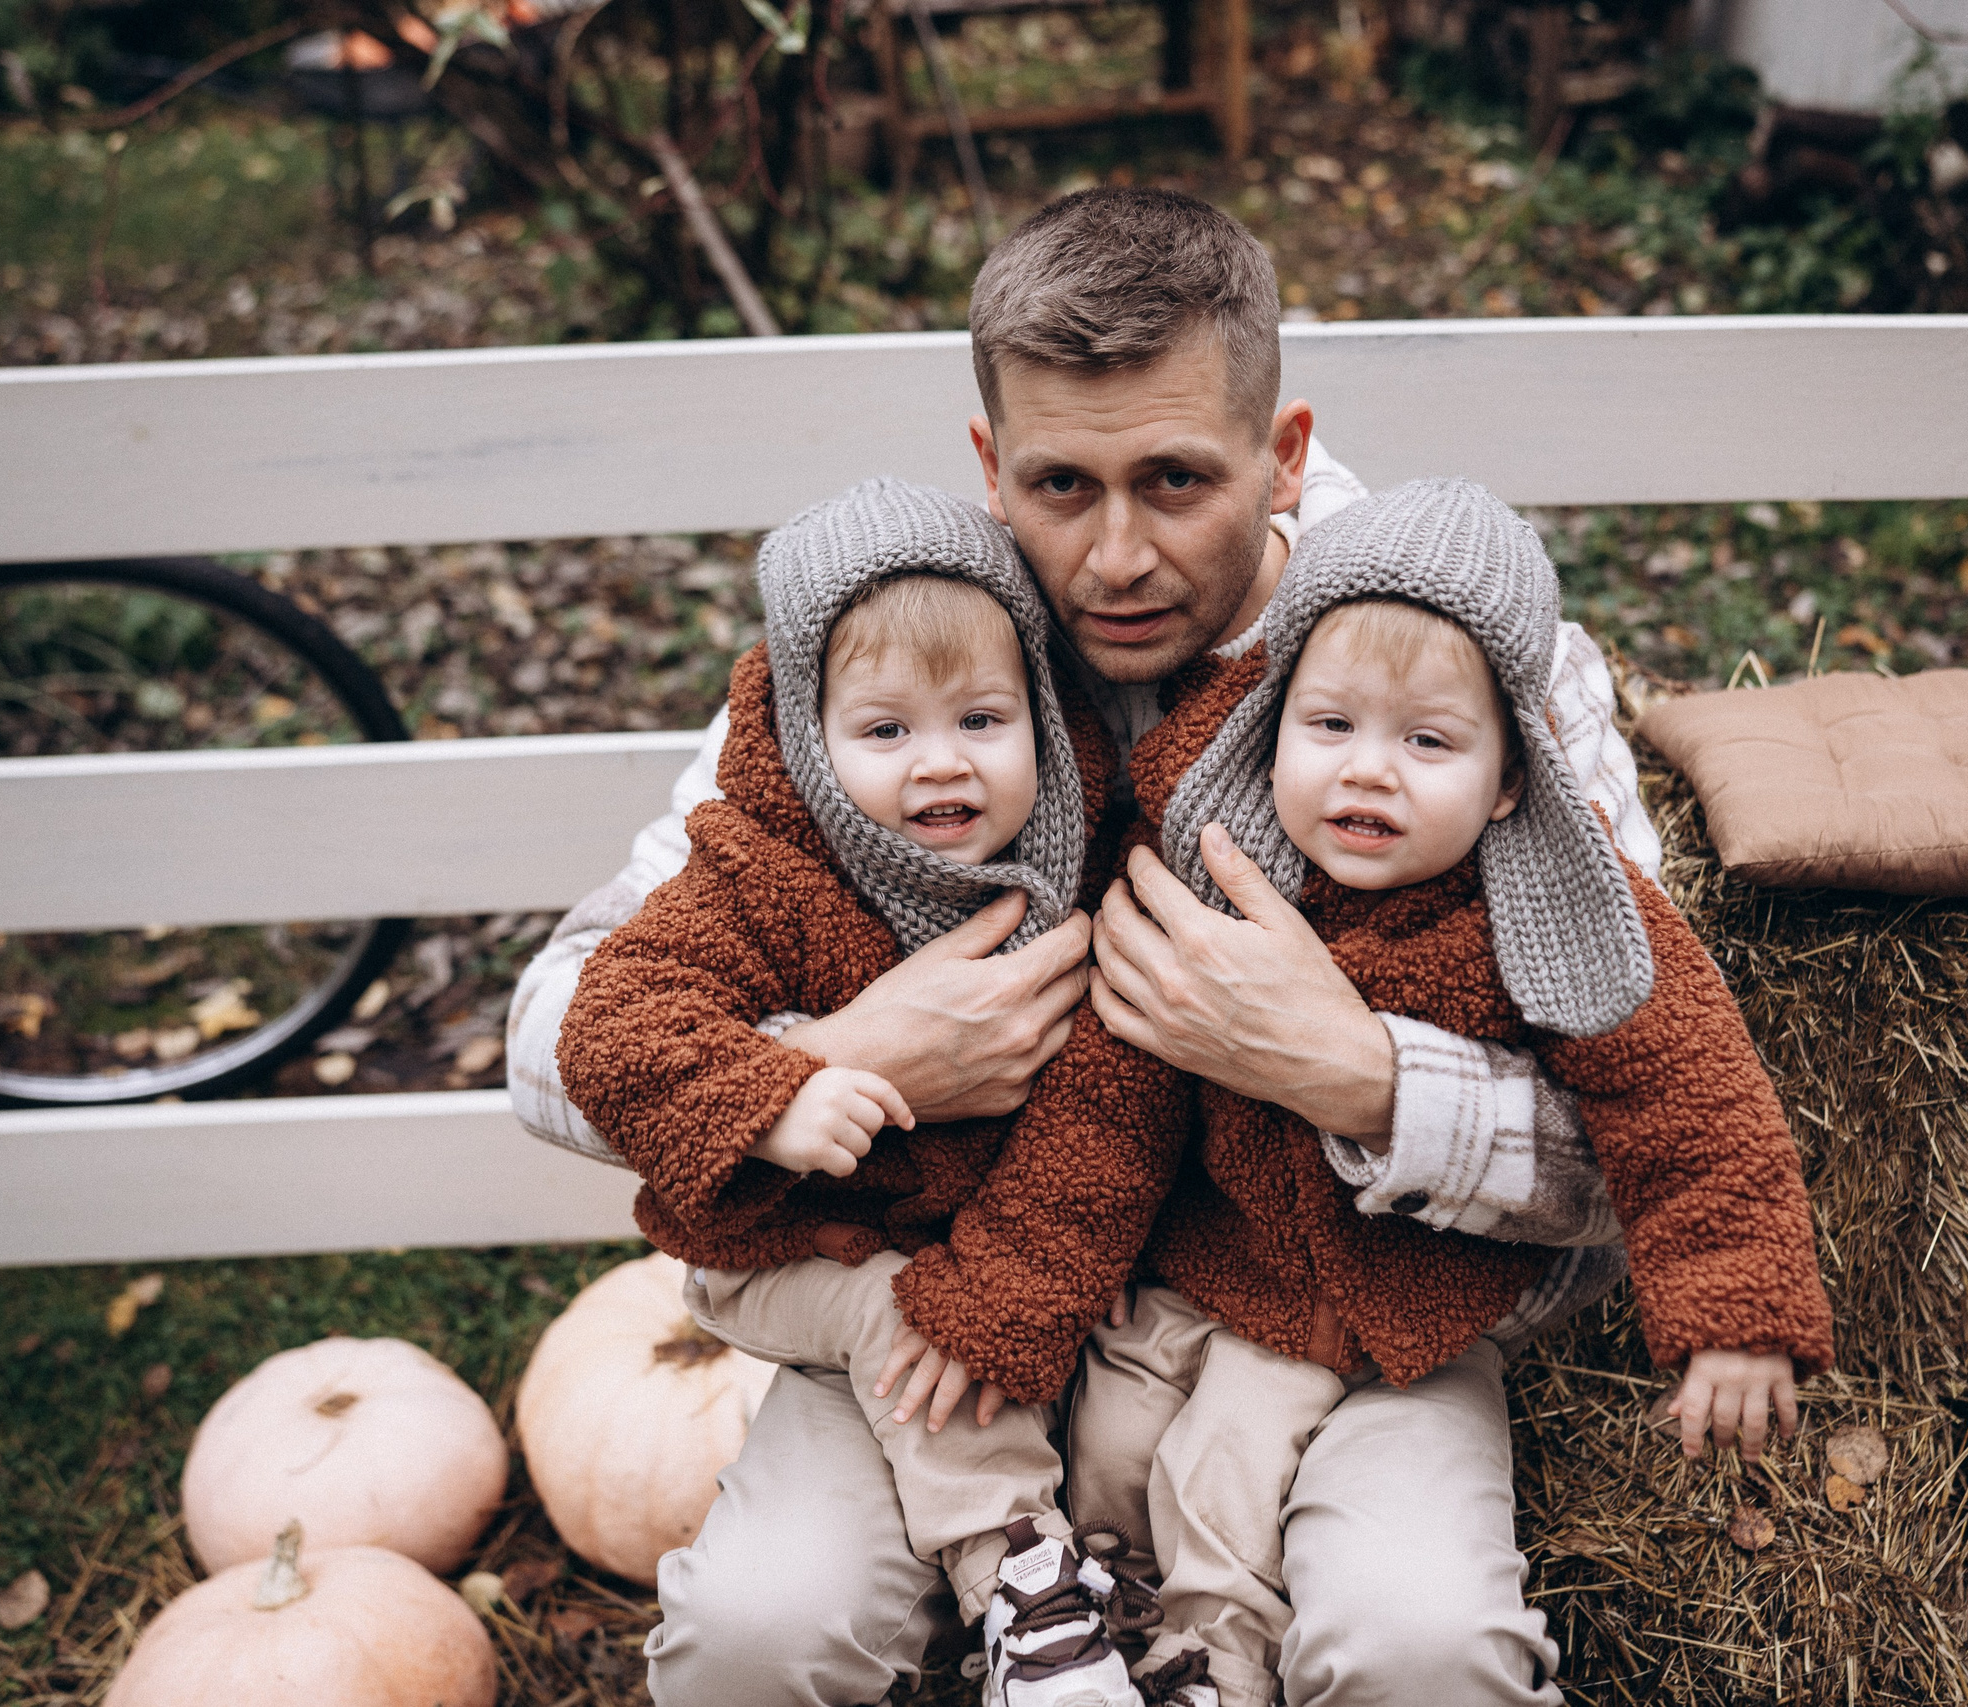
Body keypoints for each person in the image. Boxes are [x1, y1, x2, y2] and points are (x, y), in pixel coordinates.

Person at [503, 187, 1753, 1707]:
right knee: (753, 1635)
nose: (1111, 556)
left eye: (1174, 480)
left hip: (1336, 1295)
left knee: (1426, 1649)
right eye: (1059, 486)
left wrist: (1367, 1079)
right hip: (941, 1282)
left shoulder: (1463, 666)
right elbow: (552, 1029)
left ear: (1282, 453)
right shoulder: (891, 652)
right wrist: (846, 1059)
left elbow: (1658, 1105)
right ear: (990, 465)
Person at [1066, 478, 1834, 1707]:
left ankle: (1213, 1670)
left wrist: (1734, 1314)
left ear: (1513, 772)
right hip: (1201, 1287)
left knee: (1327, 1588)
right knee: (1104, 1480)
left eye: (1427, 742)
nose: (1369, 774)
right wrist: (1038, 1270)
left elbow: (1691, 1109)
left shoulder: (1559, 917)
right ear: (1270, 728)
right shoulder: (1215, 864)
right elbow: (1106, 1102)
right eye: (1330, 728)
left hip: (1405, 1337)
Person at [555, 479, 1185, 1707]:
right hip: (812, 1263)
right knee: (900, 1313)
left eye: (983, 719)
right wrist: (784, 1083)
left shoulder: (1091, 863)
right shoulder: (757, 868)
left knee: (1150, 1434)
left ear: (1045, 724)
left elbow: (1122, 1106)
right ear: (809, 735)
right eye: (885, 731)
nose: (939, 763)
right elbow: (607, 1032)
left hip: (1048, 1276)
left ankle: (1113, 1620)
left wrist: (1005, 1287)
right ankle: (1024, 1585)